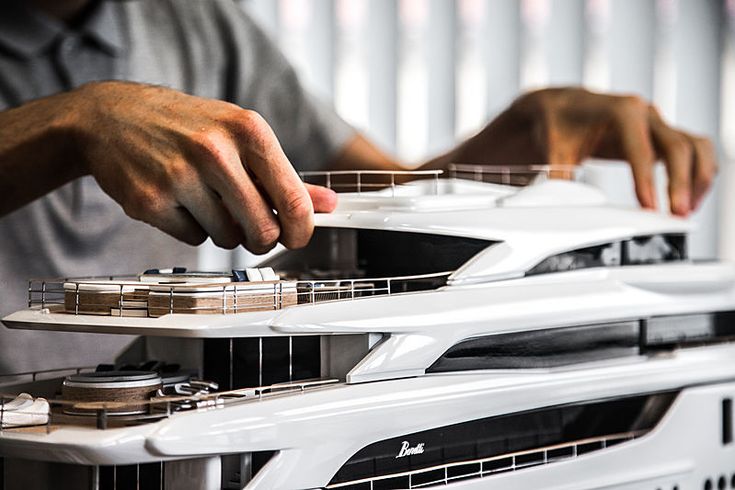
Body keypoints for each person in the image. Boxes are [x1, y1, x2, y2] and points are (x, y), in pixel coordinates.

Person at [0, 0, 717, 375]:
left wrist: (517, 130)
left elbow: (377, 194)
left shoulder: (197, 20)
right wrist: (70, 123)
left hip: (158, 415)